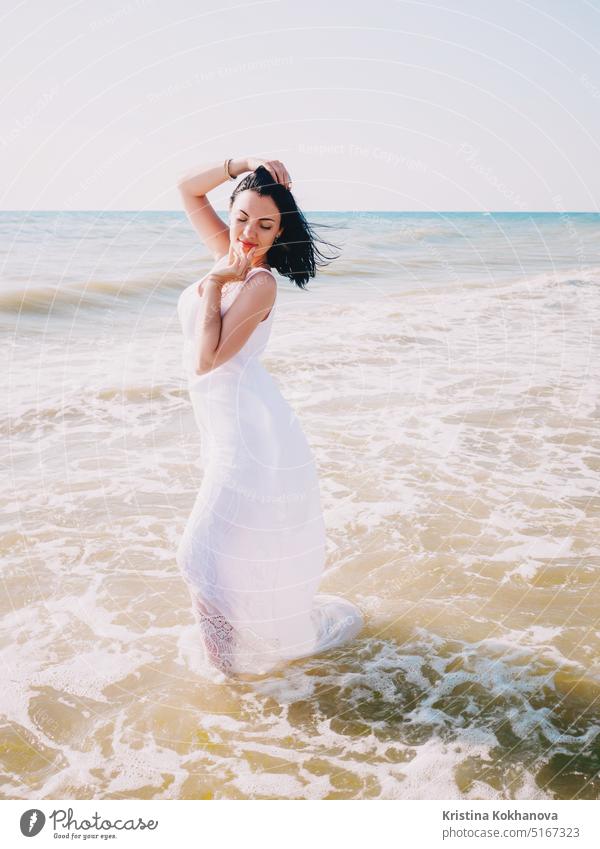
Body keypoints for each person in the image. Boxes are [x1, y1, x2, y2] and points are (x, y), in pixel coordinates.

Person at [175, 155, 363, 679]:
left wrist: (214, 284)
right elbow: (188, 190)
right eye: (240, 218)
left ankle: (226, 679)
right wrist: (242, 161)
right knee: (219, 560)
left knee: (197, 557)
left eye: (265, 225)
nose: (248, 233)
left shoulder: (257, 282)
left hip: (249, 434)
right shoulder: (228, 253)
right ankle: (231, 668)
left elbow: (206, 359)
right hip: (224, 428)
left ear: (281, 232)